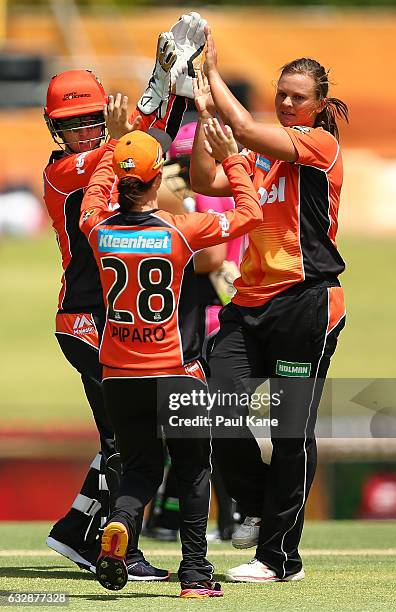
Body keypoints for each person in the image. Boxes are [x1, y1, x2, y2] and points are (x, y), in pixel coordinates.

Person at [42, 13, 206, 580]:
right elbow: (136, 148)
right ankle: (118, 548)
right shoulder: (68, 171)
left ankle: (77, 531)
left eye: (91, 120)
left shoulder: (105, 160)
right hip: (86, 323)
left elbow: (144, 155)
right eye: (74, 124)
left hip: (103, 323)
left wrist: (175, 89)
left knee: (126, 439)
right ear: (54, 131)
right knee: (132, 441)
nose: (87, 131)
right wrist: (164, 88)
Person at [79, 109, 263, 596]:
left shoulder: (97, 229)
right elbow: (251, 214)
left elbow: (94, 195)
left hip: (118, 376)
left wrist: (114, 145)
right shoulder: (180, 229)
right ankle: (196, 576)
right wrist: (235, 163)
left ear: (121, 181)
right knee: (193, 470)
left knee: (140, 467)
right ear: (159, 176)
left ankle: (119, 522)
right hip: (176, 373)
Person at [190, 31, 348, 583]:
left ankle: (280, 559)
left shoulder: (319, 145)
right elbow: (205, 178)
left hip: (307, 302)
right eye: (281, 93)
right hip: (250, 303)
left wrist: (210, 73)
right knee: (216, 405)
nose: (286, 103)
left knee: (289, 431)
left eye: (298, 97)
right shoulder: (265, 150)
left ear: (320, 106)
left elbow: (249, 129)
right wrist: (206, 118)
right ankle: (258, 509)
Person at [143, 122, 244, 543]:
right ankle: (205, 518)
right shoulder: (234, 188)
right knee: (207, 425)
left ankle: (205, 518)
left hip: (202, 320)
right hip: (221, 314)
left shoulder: (194, 196)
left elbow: (209, 259)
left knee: (200, 426)